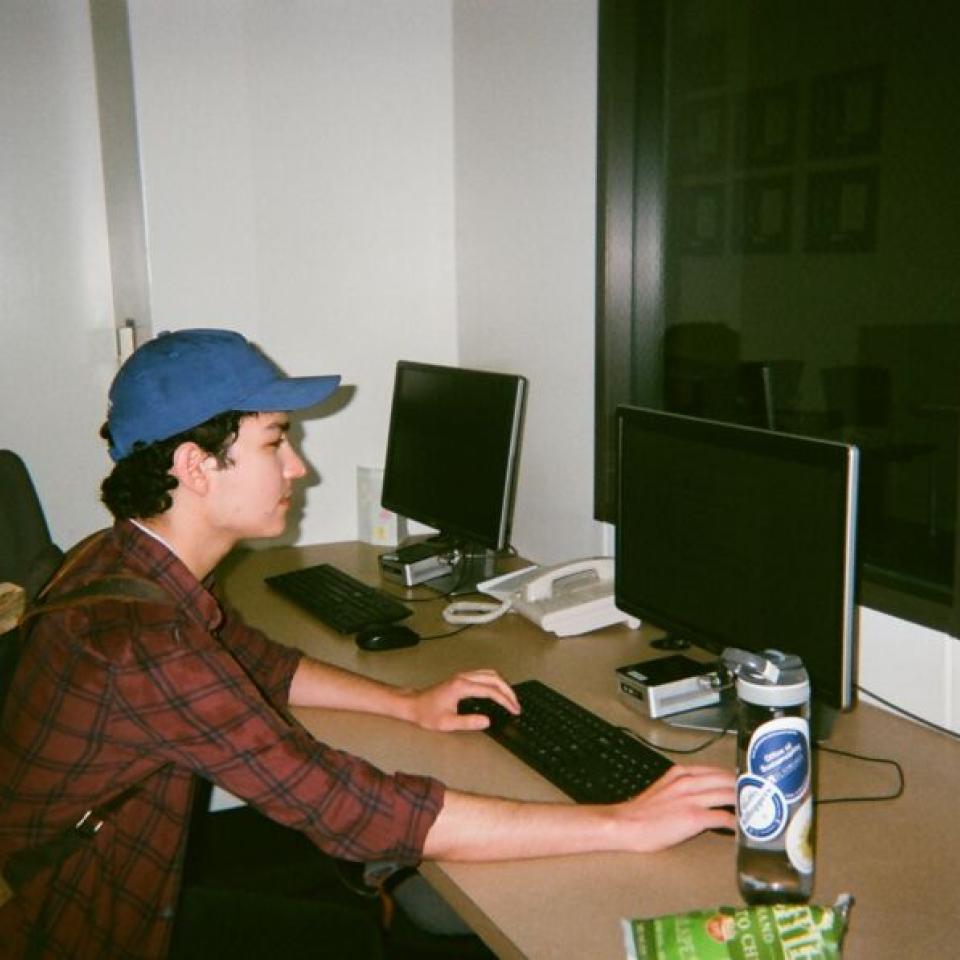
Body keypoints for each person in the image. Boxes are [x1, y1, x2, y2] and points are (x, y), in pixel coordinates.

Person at [0, 329, 734, 959]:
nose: (298, 468)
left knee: (342, 936)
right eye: (275, 441)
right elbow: (355, 811)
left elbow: (261, 663)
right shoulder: (147, 645)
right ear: (196, 466)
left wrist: (410, 704)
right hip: (82, 934)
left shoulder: (120, 559)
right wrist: (622, 822)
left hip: (115, 893)